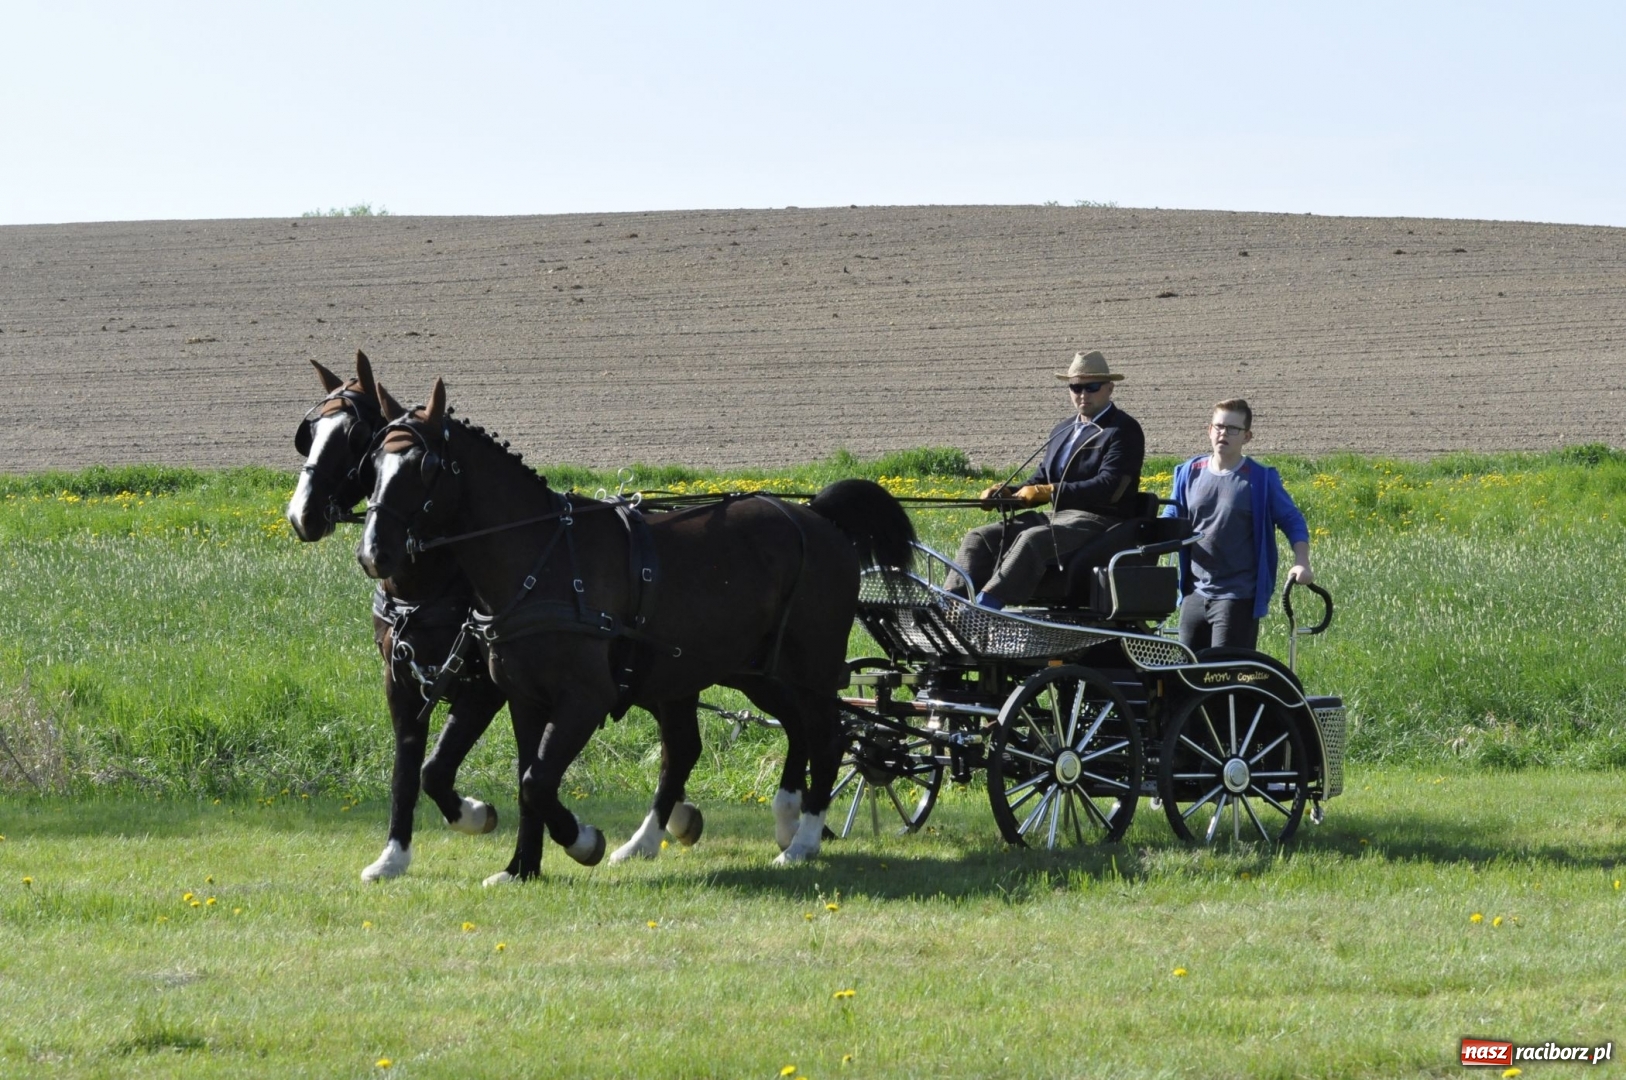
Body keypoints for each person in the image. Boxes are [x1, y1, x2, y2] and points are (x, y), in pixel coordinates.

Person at [950, 350, 1145, 609]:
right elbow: (1041, 478)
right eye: (1075, 387)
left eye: (1092, 387)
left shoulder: (1122, 430)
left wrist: (1050, 492)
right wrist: (1008, 494)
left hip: (1099, 522)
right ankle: (949, 607)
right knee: (980, 537)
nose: (1083, 394)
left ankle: (985, 609)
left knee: (1032, 539)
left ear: (1109, 388)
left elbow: (1110, 487)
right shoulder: (1063, 430)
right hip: (1057, 519)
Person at [1165, 398, 1313, 651]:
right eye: (1219, 426)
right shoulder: (1189, 472)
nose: (1224, 433)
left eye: (1233, 429)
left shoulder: (1260, 479)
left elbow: (1292, 520)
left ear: (1247, 436)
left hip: (1237, 596)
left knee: (1225, 676)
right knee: (1185, 674)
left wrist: (1302, 562)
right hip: (1194, 593)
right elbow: (1170, 519)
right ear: (1209, 430)